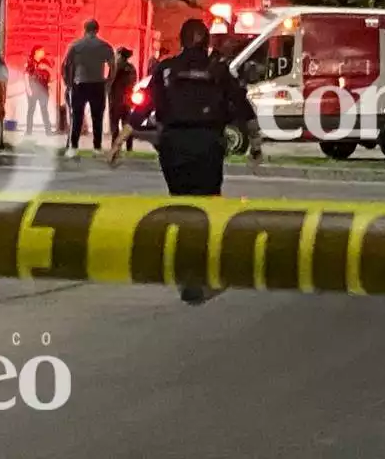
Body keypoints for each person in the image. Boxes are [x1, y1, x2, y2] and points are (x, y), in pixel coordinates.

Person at [112, 19, 262, 305]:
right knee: (206, 206)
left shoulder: (166, 69)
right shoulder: (218, 71)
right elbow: (242, 106)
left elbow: (145, 106)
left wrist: (121, 137)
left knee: (181, 205)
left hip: (173, 148)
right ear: (207, 43)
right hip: (207, 145)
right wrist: (255, 145)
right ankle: (201, 273)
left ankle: (187, 274)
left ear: (180, 41)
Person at [61, 19, 116, 158]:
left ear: (84, 29)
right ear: (97, 30)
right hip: (98, 84)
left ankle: (73, 147)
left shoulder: (76, 46)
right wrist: (108, 82)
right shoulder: (105, 46)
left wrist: (69, 83)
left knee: (77, 116)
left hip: (80, 84)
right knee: (97, 117)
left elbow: (66, 65)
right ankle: (97, 148)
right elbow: (113, 66)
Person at [108, 47, 138, 153]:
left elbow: (110, 83)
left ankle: (115, 147)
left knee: (115, 126)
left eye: (117, 54)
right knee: (127, 125)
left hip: (116, 100)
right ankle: (129, 148)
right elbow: (134, 82)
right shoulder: (131, 68)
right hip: (127, 101)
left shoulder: (116, 67)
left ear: (120, 55)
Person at [24, 46, 53, 136]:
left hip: (43, 90)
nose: (43, 52)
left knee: (44, 110)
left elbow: (51, 72)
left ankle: (48, 131)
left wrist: (46, 68)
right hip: (33, 89)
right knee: (31, 110)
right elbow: (26, 75)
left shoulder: (45, 62)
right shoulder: (30, 62)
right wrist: (28, 88)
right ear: (36, 52)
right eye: (42, 51)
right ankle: (29, 131)